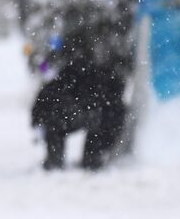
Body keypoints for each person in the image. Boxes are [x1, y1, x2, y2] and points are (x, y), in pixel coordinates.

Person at [31, 23, 127, 171]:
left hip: (62, 111)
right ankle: (91, 159)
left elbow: (45, 84)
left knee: (57, 123)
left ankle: (56, 160)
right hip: (88, 110)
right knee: (102, 119)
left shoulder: (65, 69)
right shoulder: (101, 72)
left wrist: (37, 120)